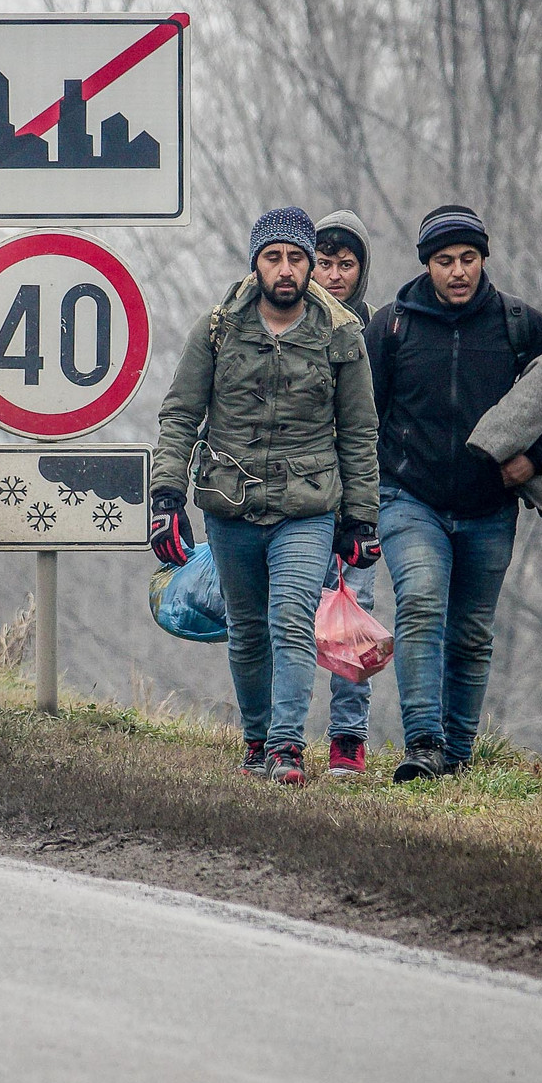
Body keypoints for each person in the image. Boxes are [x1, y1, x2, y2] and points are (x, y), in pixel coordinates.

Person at [151, 207, 381, 787]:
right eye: (274, 256)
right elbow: (181, 415)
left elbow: (358, 433)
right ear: (256, 262)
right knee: (249, 628)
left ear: (308, 267)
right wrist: (166, 495)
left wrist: (360, 518)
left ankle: (286, 749)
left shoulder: (340, 336)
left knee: (292, 620)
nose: (286, 269)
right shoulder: (217, 330)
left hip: (307, 510)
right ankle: (257, 738)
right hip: (230, 506)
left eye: (297, 258)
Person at [365, 205, 542, 781]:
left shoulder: (517, 323)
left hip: (489, 508)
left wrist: (535, 459)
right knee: (419, 603)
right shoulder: (393, 327)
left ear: (484, 259)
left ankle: (458, 757)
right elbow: (362, 413)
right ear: (427, 265)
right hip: (408, 497)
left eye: (468, 259)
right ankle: (423, 745)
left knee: (470, 631)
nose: (458, 271)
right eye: (445, 261)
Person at [312, 210, 378, 777]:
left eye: (346, 264)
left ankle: (348, 740)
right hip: (298, 499)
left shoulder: (380, 333)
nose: (334, 275)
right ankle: (272, 734)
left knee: (354, 619)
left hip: (358, 501)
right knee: (286, 616)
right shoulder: (287, 325)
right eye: (325, 262)